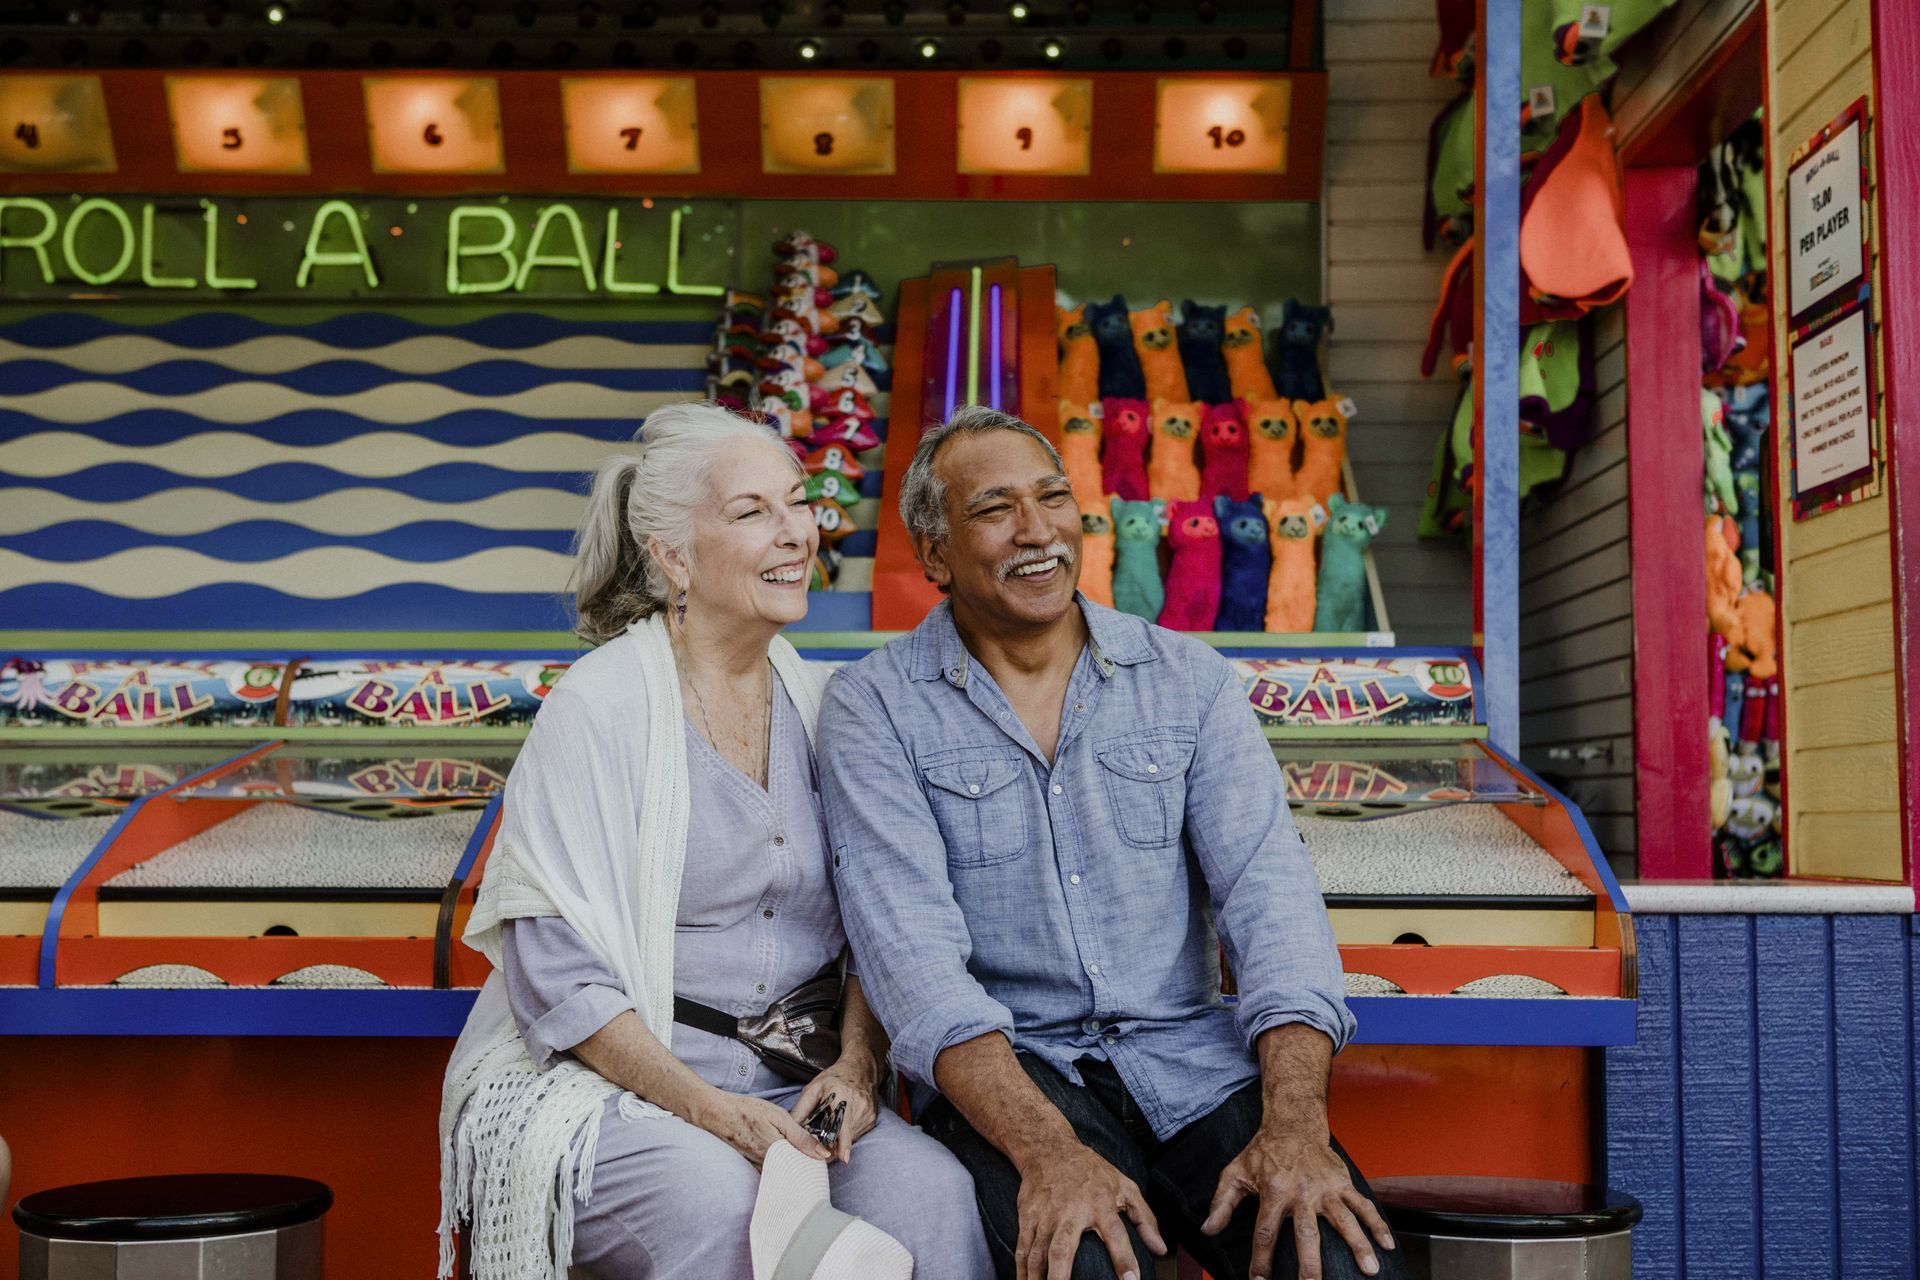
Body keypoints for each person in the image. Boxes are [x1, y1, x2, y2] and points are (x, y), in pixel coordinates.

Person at [818, 406, 1405, 1280]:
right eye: (995, 509)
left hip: (1193, 1062)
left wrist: (1293, 1128)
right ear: (934, 555)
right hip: (1015, 1068)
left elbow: (1272, 906)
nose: (1038, 530)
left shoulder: (1190, 680)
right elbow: (916, 968)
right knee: (1082, 1264)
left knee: (1344, 1265)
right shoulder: (874, 709)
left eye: (1054, 498)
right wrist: (1048, 1154)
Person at [437, 402, 991, 1280]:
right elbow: (556, 973)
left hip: (804, 1092)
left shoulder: (827, 704)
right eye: (752, 512)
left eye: (801, 503)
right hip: (619, 1096)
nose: (796, 533)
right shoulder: (599, 706)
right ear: (671, 556)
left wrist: (855, 1068)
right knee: (727, 1212)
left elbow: (883, 926)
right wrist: (711, 1110)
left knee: (934, 1198)